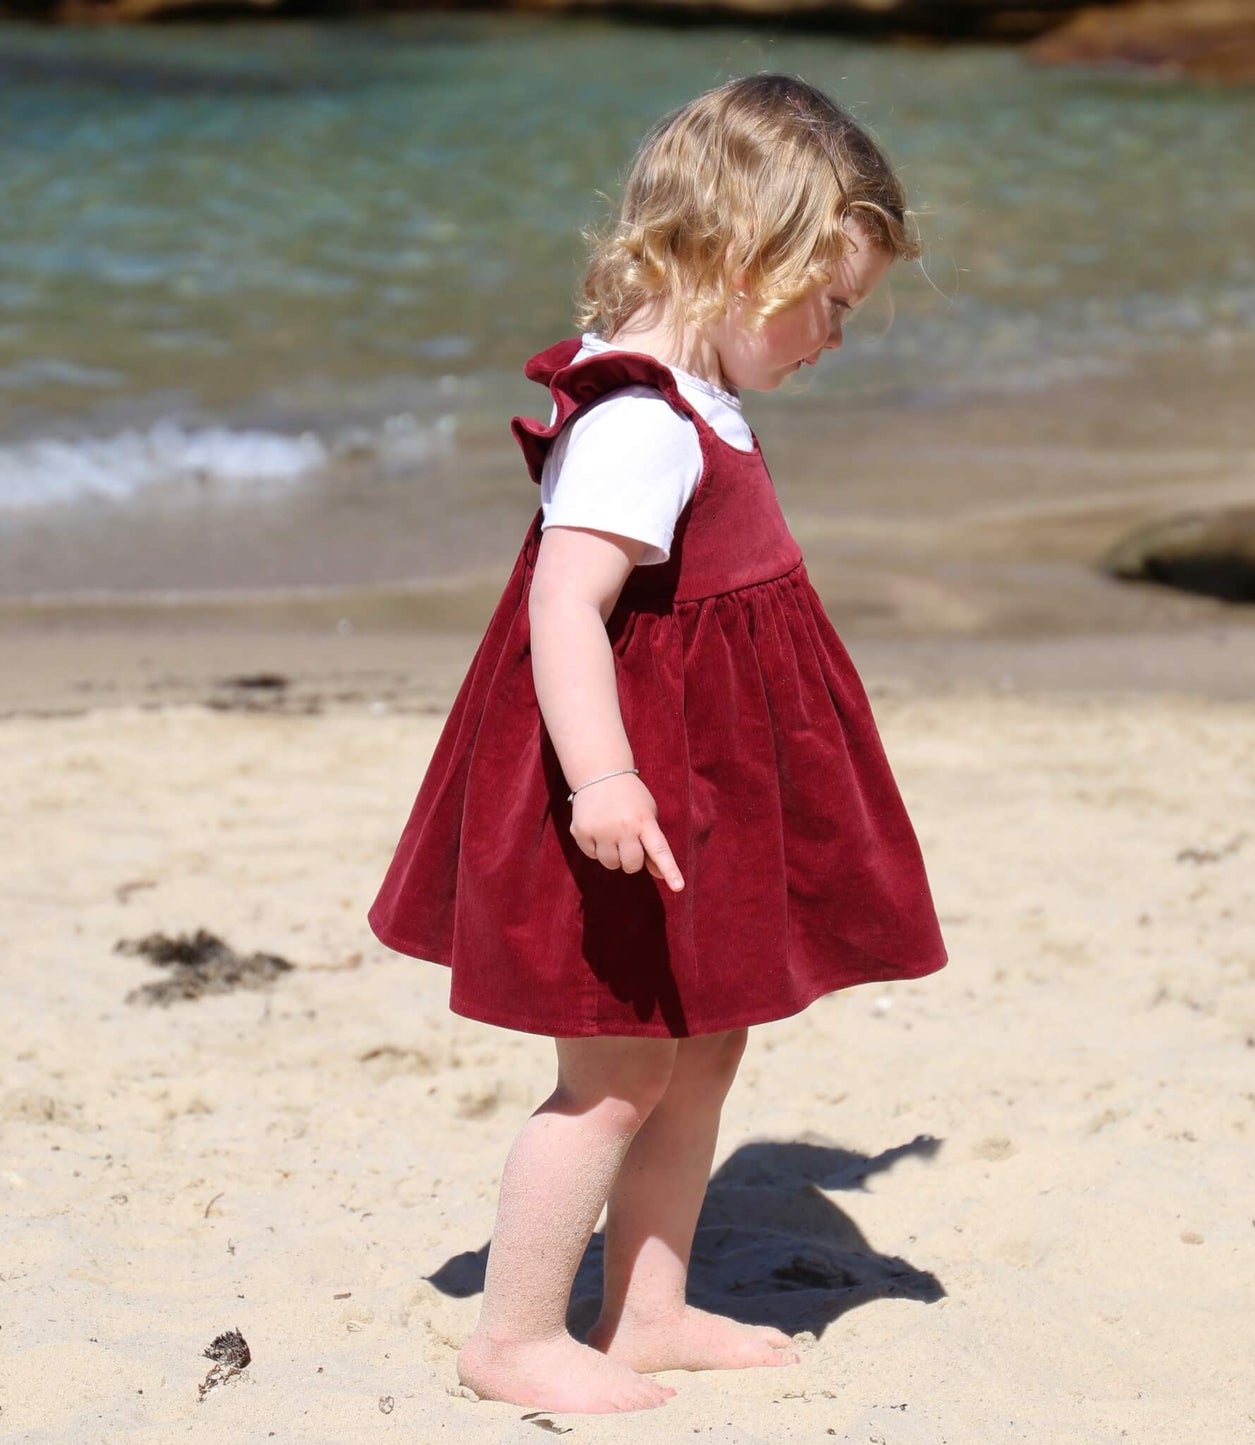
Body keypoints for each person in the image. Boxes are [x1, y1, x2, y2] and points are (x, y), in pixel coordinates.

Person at [368, 72, 948, 1414]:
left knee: (706, 1039)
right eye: (830, 303)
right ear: (743, 258)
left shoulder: (696, 390)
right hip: (625, 788)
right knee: (618, 1064)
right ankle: (513, 1335)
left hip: (704, 786)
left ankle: (646, 1306)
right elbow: (564, 605)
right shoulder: (639, 417)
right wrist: (606, 777)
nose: (834, 338)